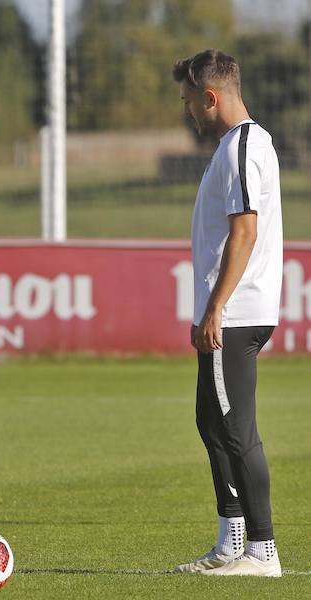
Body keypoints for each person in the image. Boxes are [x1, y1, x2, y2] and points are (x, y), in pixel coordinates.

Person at [171, 49, 283, 577]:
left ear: (211, 97)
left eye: (191, 101)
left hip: (234, 313)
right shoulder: (241, 145)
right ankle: (231, 541)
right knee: (212, 423)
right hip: (229, 310)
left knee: (236, 429)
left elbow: (245, 230)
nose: (189, 111)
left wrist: (215, 307)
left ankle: (261, 551)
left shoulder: (242, 146)